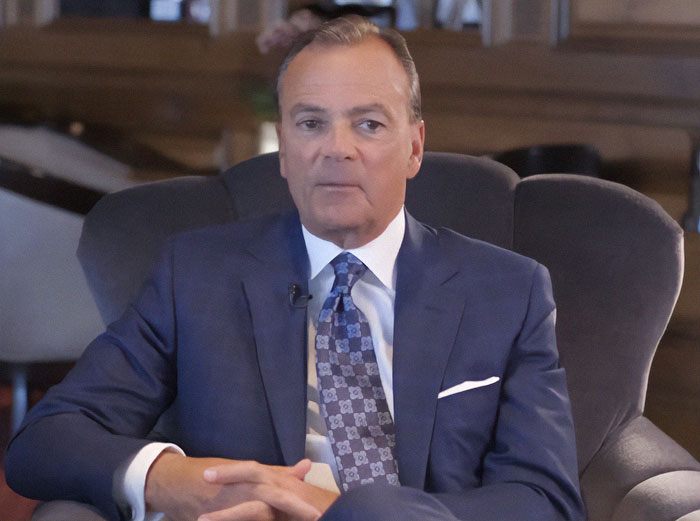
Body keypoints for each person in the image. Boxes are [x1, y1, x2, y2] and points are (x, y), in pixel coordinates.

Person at [6, 16, 585, 521]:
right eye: (311, 123)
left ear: (414, 148)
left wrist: (353, 514)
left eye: (368, 124)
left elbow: (544, 500)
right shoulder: (197, 274)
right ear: (283, 149)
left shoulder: (507, 291)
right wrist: (171, 480)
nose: (337, 149)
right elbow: (45, 440)